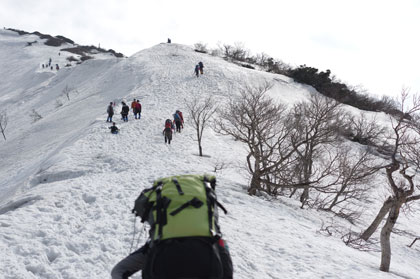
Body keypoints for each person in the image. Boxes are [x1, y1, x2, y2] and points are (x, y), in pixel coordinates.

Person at [111, 175, 233, 279]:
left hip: (163, 266)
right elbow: (227, 270)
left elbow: (118, 271)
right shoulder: (215, 239)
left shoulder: (160, 238)